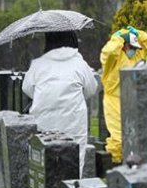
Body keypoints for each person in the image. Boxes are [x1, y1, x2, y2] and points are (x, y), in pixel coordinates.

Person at [22, 30, 98, 176]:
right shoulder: (79, 63)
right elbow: (91, 89)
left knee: (45, 162)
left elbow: (27, 89)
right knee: (75, 161)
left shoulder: (38, 64)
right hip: (73, 122)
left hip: (44, 121)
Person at [100, 25, 147, 164]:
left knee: (137, 135)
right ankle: (115, 165)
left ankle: (133, 164)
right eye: (131, 47)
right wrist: (117, 38)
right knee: (118, 137)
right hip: (114, 99)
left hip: (134, 99)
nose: (134, 50)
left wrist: (140, 34)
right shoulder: (113, 60)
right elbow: (109, 52)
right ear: (124, 46)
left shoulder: (138, 54)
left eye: (136, 47)